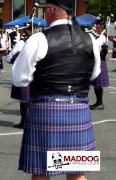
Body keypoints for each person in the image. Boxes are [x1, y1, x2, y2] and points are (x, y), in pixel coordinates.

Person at [12, 0, 101, 179]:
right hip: (79, 110)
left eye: (44, 10)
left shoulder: (39, 38)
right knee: (76, 173)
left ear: (52, 10)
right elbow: (94, 75)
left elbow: (19, 79)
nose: (44, 14)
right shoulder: (90, 39)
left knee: (42, 174)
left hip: (46, 111)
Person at [8, 27, 31, 129]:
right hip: (34, 74)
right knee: (30, 99)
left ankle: (24, 122)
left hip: (23, 73)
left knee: (24, 100)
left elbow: (9, 58)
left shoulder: (21, 43)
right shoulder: (37, 43)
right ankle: (29, 121)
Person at [90, 22, 109, 110]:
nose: (98, 27)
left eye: (100, 26)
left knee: (98, 84)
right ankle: (99, 102)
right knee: (96, 85)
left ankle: (100, 103)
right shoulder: (98, 36)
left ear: (103, 28)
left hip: (100, 62)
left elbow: (96, 45)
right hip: (97, 61)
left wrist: (93, 35)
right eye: (97, 26)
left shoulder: (102, 37)